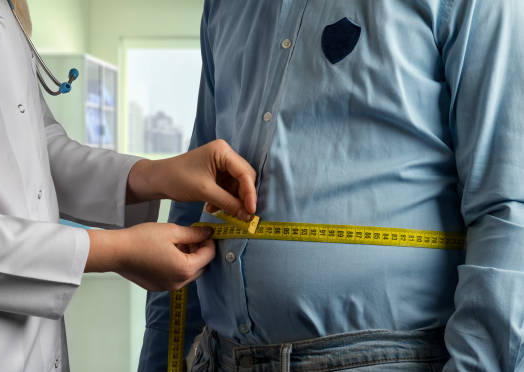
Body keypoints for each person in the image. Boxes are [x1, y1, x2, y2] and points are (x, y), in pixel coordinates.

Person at [140, 1, 524, 371]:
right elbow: (195, 196)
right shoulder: (225, 5)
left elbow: (507, 211)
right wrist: (160, 359)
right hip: (218, 353)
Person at [0, 1, 257, 371]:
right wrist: (109, 252)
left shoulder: (1, 9)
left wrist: (155, 175)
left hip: (37, 345)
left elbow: (39, 149)